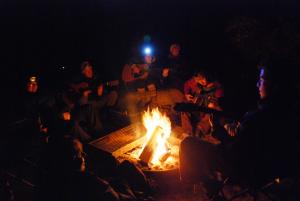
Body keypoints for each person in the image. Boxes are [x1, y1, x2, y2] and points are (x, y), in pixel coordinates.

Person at [180, 61, 300, 191]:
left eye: (261, 80)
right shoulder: (290, 113)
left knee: (188, 144)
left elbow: (235, 151)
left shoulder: (257, 117)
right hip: (271, 172)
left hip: (245, 171)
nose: (257, 84)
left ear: (275, 85)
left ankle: (206, 184)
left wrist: (227, 130)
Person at [182, 71, 224, 140]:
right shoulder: (195, 82)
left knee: (212, 111)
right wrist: (186, 94)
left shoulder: (217, 87)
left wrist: (213, 103)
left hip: (207, 113)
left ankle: (200, 131)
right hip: (198, 108)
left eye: (204, 78)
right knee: (183, 108)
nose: (203, 81)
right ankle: (188, 133)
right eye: (200, 80)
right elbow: (187, 84)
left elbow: (219, 102)